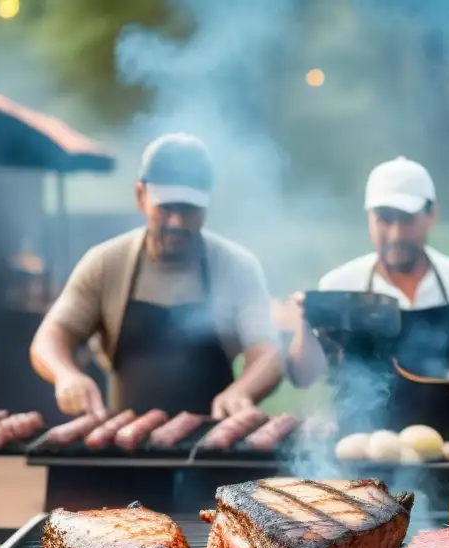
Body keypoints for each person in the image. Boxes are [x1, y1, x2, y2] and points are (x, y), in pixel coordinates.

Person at [30, 133, 282, 509]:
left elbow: (269, 355)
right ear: (140, 196)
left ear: (207, 205)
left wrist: (242, 391)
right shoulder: (106, 262)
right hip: (124, 457)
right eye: (166, 207)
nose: (177, 221)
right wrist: (66, 374)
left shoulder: (236, 265)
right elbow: (50, 338)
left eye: (189, 209)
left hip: (213, 461)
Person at [285, 156, 449, 445]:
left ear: (432, 215)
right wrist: (304, 320)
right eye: (385, 219)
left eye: (407, 220)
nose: (395, 234)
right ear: (368, 218)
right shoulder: (339, 283)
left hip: (447, 453)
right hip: (357, 458)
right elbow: (305, 377)